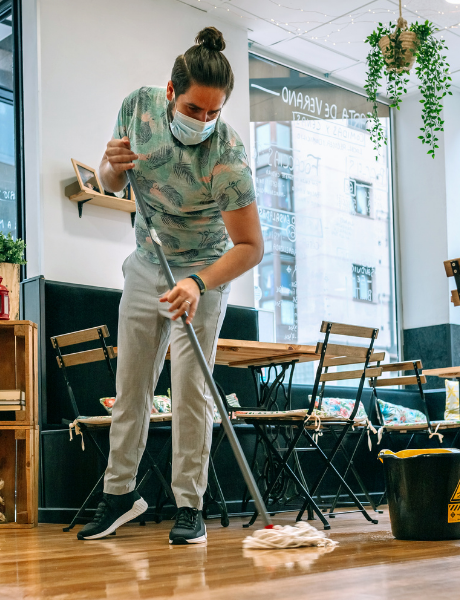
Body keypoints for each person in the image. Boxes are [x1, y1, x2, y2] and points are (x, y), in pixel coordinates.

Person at [77, 27, 263, 545]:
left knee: (188, 390)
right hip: (146, 262)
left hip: (203, 269)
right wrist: (108, 171)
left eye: (213, 112)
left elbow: (250, 247)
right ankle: (119, 496)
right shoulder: (137, 109)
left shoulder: (228, 158)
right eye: (193, 109)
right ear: (168, 93)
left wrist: (200, 282)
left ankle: (189, 506)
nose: (202, 121)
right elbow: (113, 184)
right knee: (130, 386)